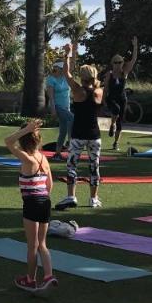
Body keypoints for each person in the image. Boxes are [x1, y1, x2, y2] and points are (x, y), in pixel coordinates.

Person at [5, 118, 55, 291]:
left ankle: (30, 279)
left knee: (32, 245)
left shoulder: (28, 159)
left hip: (32, 203)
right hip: (45, 202)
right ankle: (48, 275)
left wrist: (26, 129)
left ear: (24, 139)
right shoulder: (43, 159)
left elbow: (7, 141)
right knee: (42, 243)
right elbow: (50, 186)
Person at [60, 50, 105, 209]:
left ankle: (71, 196)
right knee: (94, 166)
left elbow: (66, 72)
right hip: (94, 135)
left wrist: (67, 55)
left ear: (82, 76)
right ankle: (93, 199)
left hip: (78, 134)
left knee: (72, 165)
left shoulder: (78, 90)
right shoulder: (99, 92)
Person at [100, 36, 138, 151]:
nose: (118, 64)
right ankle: (112, 124)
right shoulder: (109, 74)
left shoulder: (124, 73)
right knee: (115, 109)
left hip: (122, 98)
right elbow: (106, 88)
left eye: (120, 62)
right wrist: (102, 100)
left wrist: (135, 46)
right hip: (111, 98)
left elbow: (133, 60)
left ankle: (116, 143)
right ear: (113, 63)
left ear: (122, 63)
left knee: (120, 122)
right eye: (116, 62)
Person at [45, 51, 74, 155]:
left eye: (61, 69)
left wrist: (70, 53)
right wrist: (53, 109)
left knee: (63, 130)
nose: (59, 70)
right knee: (72, 118)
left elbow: (71, 64)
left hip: (66, 107)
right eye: (58, 68)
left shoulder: (65, 77)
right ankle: (71, 145)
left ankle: (57, 153)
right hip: (57, 106)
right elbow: (51, 97)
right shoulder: (50, 79)